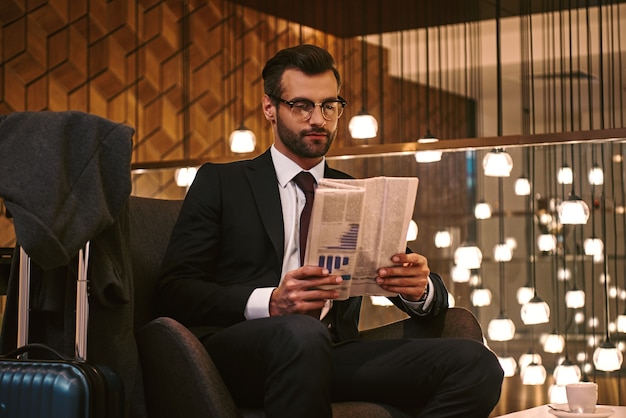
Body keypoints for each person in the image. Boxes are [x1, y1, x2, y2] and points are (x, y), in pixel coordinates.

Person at [155, 44, 503, 417]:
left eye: (329, 106)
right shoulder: (223, 183)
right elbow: (175, 289)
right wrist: (271, 301)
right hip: (242, 352)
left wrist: (420, 288)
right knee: (300, 334)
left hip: (331, 351)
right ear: (270, 108)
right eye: (301, 105)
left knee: (476, 364)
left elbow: (416, 286)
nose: (318, 119)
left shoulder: (355, 190)